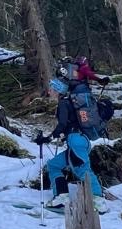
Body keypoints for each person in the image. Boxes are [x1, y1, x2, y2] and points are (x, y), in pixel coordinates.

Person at [36, 77, 103, 208]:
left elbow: (61, 125)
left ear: (58, 90)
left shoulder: (63, 103)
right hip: (79, 140)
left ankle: (98, 200)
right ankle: (61, 197)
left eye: (51, 89)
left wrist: (47, 138)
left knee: (83, 169)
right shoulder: (72, 103)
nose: (49, 92)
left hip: (75, 141)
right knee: (54, 165)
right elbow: (69, 124)